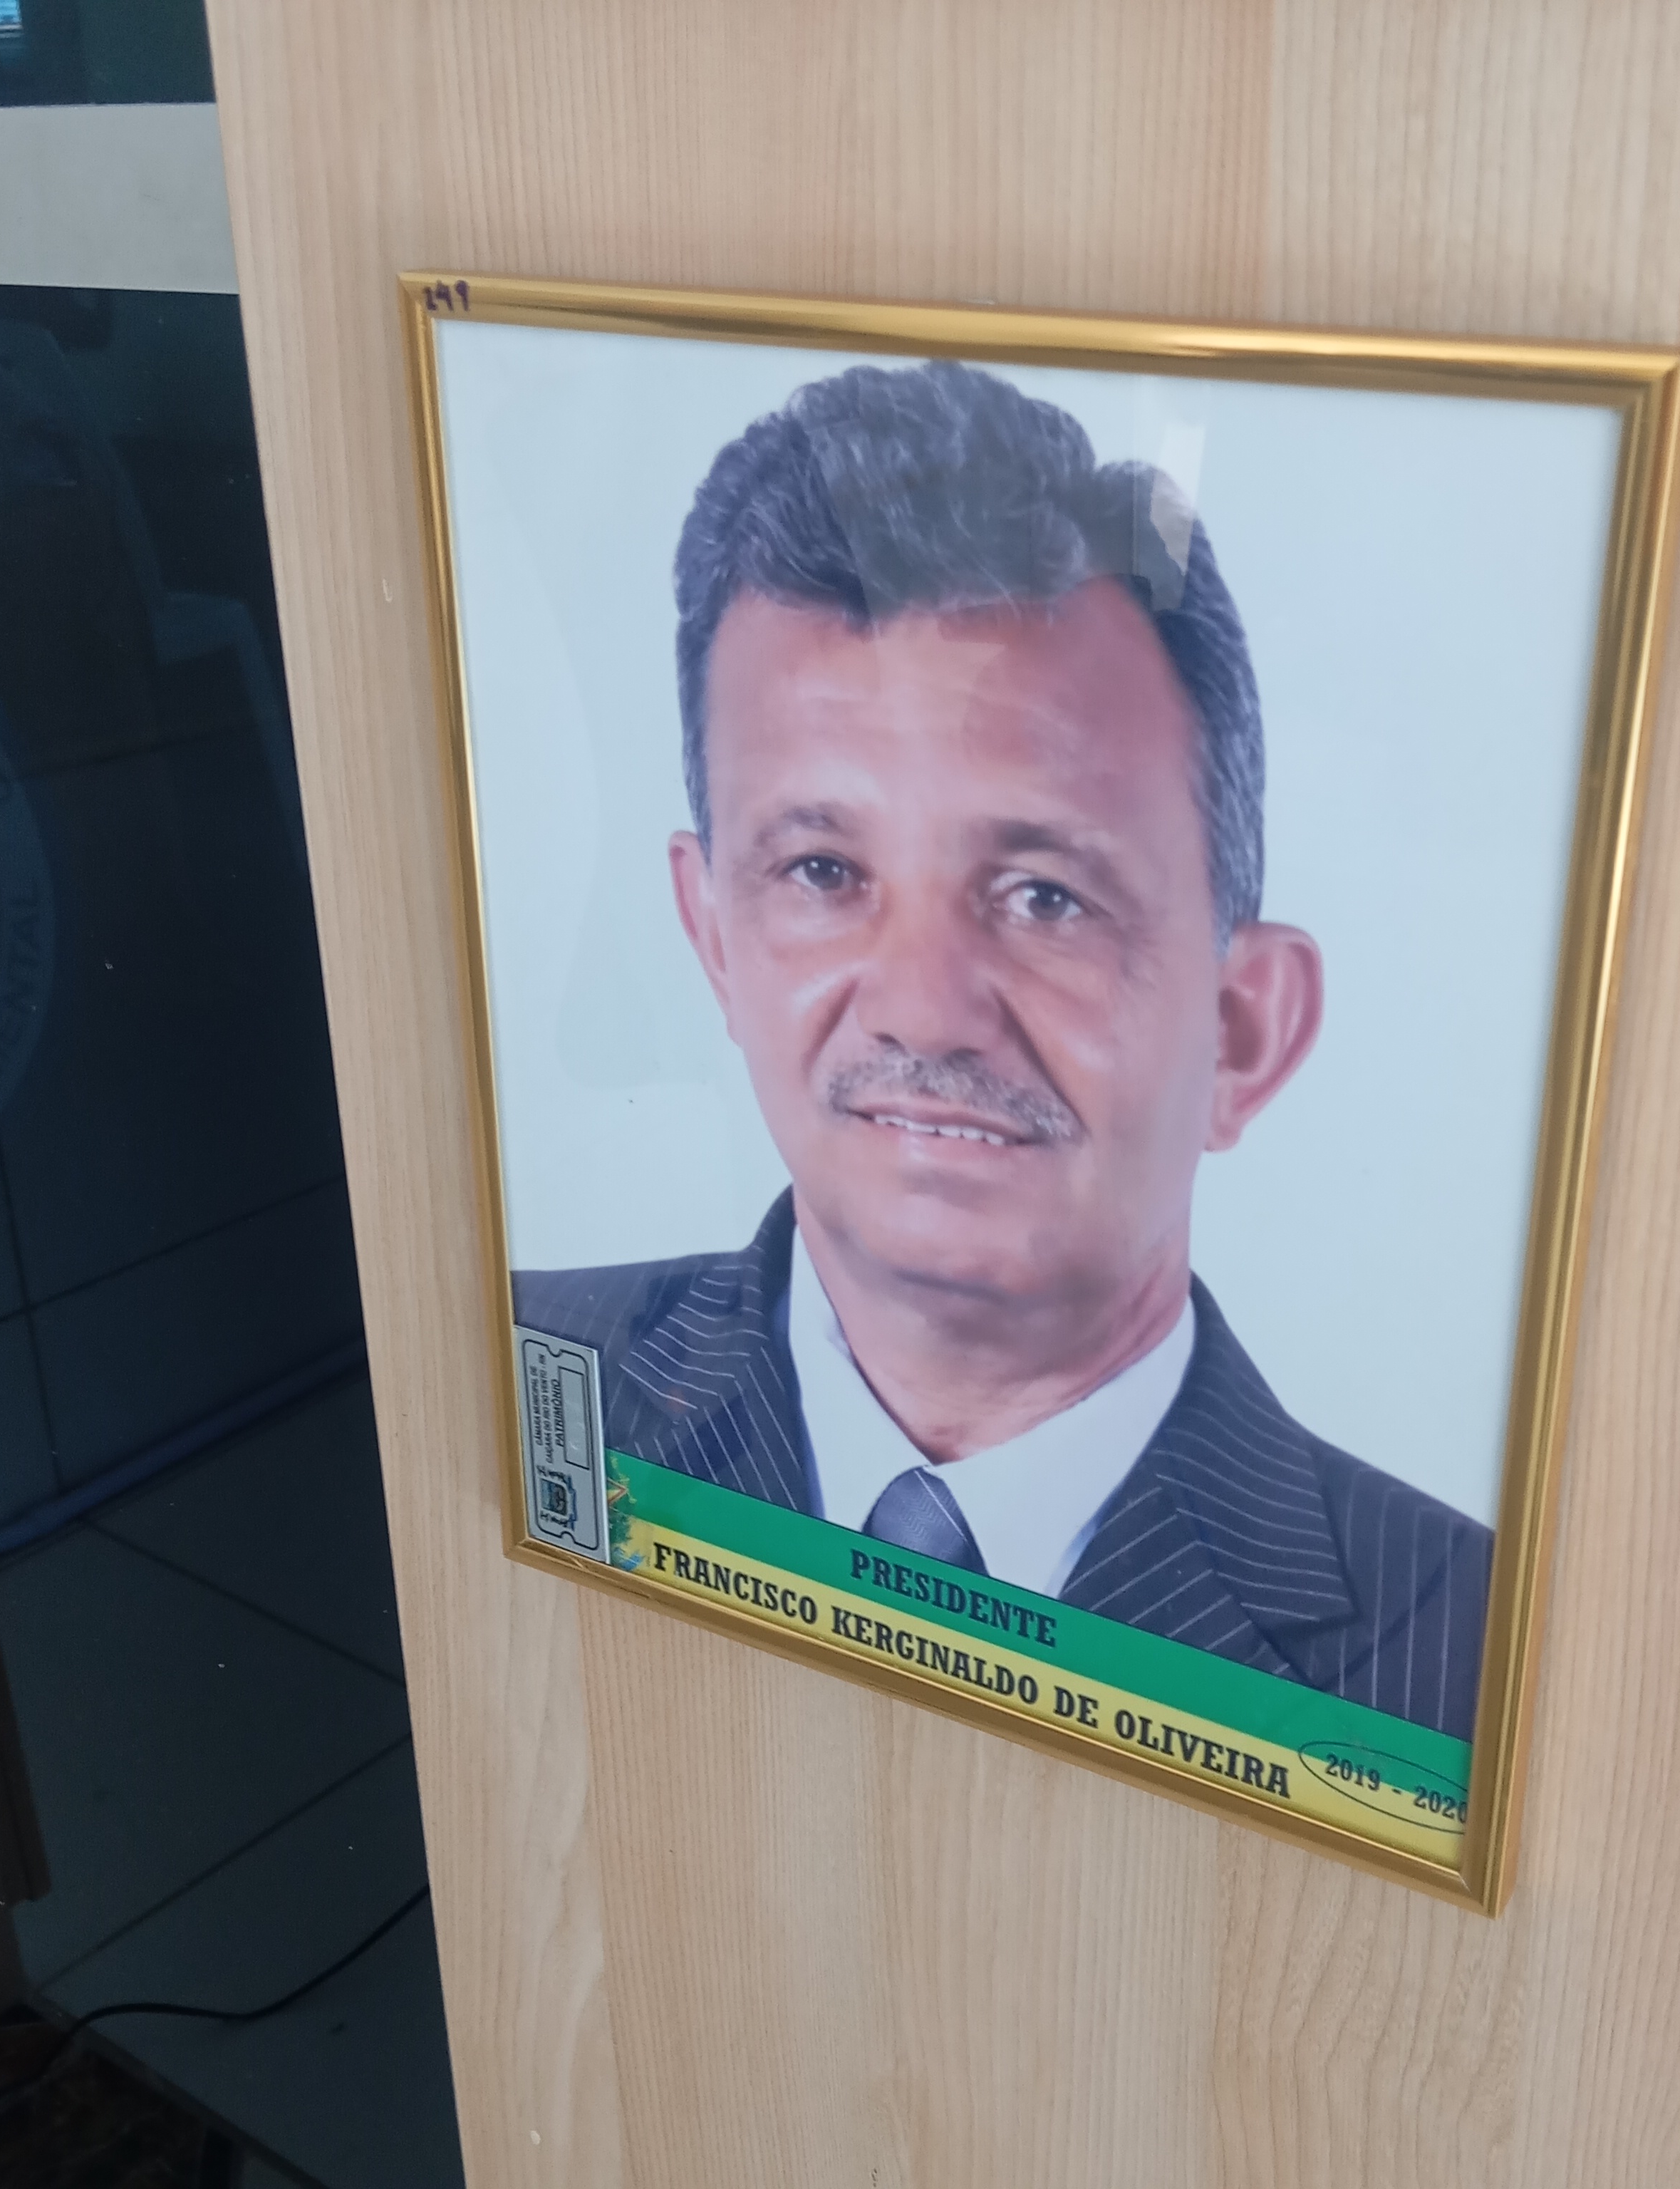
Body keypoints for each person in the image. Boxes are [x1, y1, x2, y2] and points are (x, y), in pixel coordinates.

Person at [514, 360, 1490, 1739]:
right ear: (713, 936)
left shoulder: (1465, 1652)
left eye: (1045, 897)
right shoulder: (519, 1370)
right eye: (821, 871)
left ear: (1242, 1031)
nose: (922, 1010)